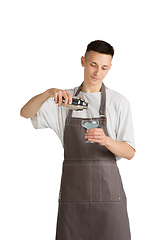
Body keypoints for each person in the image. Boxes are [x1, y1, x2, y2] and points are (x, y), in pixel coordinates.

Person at [20, 40, 135, 240]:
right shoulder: (64, 100)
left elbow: (130, 152)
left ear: (110, 68)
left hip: (109, 199)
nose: (97, 72)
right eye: (93, 64)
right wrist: (49, 93)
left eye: (104, 67)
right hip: (73, 200)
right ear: (83, 61)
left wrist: (106, 140)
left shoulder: (119, 102)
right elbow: (25, 112)